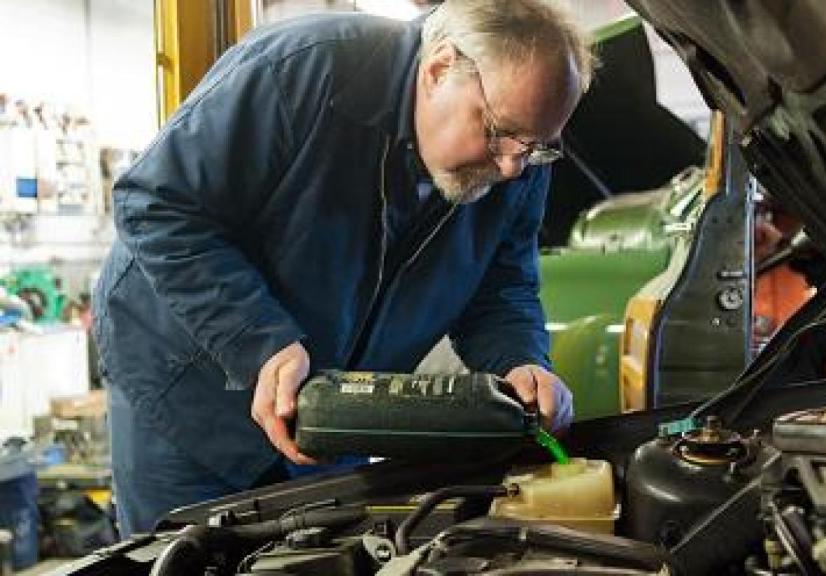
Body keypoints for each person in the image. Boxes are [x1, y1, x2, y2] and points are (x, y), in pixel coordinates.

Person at [93, 0, 593, 537]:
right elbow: (156, 203)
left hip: (331, 411)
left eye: (538, 147)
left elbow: (500, 289)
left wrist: (520, 361)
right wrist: (258, 340)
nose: (513, 165)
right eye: (499, 131)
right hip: (186, 393)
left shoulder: (516, 156)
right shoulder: (299, 71)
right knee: (182, 559)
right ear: (439, 69)